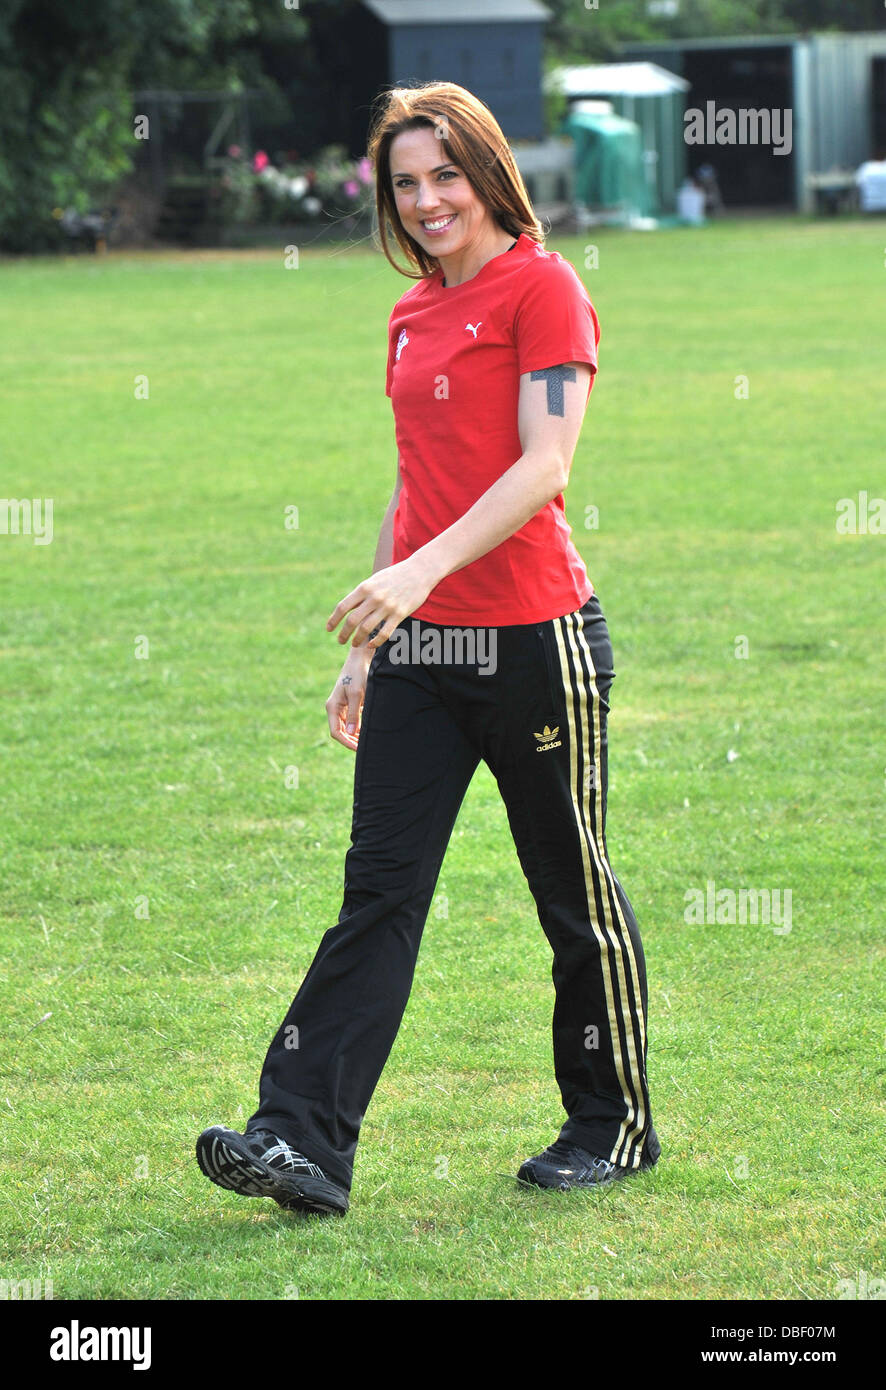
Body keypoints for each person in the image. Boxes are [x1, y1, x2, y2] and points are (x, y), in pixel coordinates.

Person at [196, 81, 661, 1217]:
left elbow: (543, 465)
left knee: (570, 888)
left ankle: (613, 1122)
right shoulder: (409, 314)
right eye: (405, 183)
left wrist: (419, 574)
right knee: (378, 890)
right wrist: (374, 634)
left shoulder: (544, 290)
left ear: (487, 173)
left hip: (535, 639)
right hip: (422, 648)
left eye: (444, 176)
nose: (425, 200)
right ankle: (299, 1140)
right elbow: (418, 478)